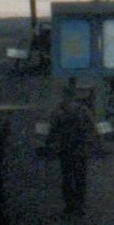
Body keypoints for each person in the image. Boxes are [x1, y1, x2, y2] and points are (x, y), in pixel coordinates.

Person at [48, 82, 97, 215]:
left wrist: (50, 144)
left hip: (65, 149)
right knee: (80, 178)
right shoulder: (83, 110)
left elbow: (52, 130)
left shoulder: (59, 112)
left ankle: (70, 205)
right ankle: (79, 205)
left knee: (67, 178)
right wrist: (91, 144)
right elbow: (92, 128)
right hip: (80, 149)